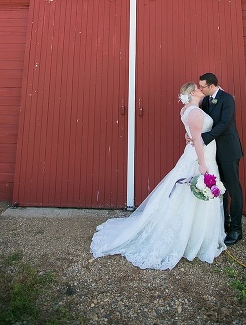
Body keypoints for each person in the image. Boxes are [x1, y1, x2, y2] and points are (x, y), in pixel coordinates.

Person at [90, 83, 226, 270]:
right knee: (191, 192)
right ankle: (192, 237)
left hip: (197, 154)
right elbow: (196, 139)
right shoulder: (194, 112)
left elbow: (191, 133)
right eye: (198, 88)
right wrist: (202, 164)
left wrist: (189, 137)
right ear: (192, 93)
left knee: (185, 195)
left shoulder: (186, 110)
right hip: (199, 157)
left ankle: (196, 234)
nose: (201, 89)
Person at [198, 72, 244, 246]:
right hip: (213, 152)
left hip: (229, 150)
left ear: (212, 86)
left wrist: (204, 138)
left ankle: (236, 229)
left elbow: (225, 123)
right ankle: (223, 223)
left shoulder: (227, 99)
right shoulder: (206, 101)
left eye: (202, 86)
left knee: (233, 189)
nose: (200, 89)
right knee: (220, 188)